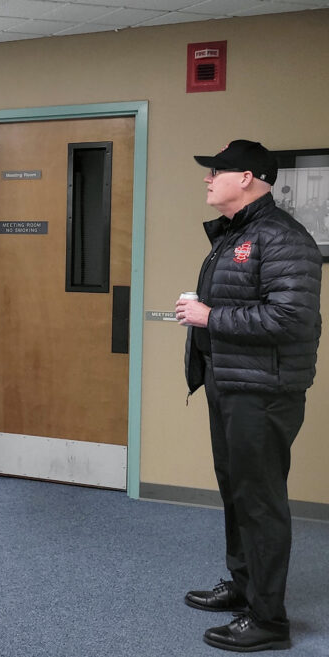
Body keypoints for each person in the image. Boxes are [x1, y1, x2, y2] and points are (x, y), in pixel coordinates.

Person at [175, 139, 322, 652]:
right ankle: (244, 586)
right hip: (232, 381)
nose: (208, 179)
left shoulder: (282, 236)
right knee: (237, 491)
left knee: (259, 500)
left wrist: (209, 316)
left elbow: (290, 317)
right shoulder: (240, 233)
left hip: (263, 391)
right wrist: (205, 307)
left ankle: (268, 620)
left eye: (217, 171)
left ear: (249, 177)